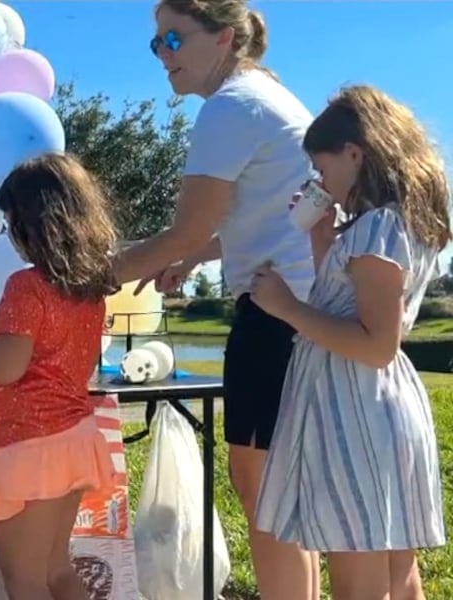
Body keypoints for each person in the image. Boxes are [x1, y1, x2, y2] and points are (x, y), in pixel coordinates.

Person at [112, 1, 322, 596]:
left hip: (276, 317)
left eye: (173, 39)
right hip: (304, 311)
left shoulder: (231, 107)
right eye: (155, 44)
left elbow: (185, 229)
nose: (162, 55)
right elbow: (257, 219)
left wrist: (91, 273)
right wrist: (191, 257)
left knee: (262, 496)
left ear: (224, 38)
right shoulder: (262, 97)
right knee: (282, 499)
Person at [251, 85, 449, 600]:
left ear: (354, 154)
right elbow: (348, 310)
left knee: (360, 583)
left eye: (322, 168)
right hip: (375, 407)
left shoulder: (378, 228)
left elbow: (376, 342)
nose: (321, 181)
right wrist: (322, 241)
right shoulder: (387, 225)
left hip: (356, 412)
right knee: (395, 578)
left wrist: (285, 307)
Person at [0, 154, 118, 600]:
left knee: (25, 581)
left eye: (10, 224)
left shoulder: (26, 287)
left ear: (32, 223)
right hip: (75, 437)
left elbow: (5, 368)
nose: (11, 237)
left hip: (30, 448)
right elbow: (48, 351)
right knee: (57, 571)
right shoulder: (88, 288)